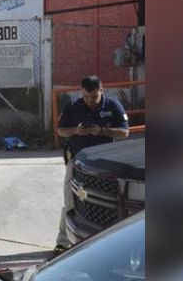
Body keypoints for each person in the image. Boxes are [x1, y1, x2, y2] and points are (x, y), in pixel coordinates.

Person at [53, 75, 129, 255]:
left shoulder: (113, 106)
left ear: (102, 90)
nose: (90, 101)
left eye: (94, 97)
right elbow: (61, 130)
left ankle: (105, 243)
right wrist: (76, 131)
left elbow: (124, 132)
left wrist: (101, 130)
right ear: (81, 92)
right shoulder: (73, 107)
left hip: (105, 166)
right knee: (70, 201)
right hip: (78, 163)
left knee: (106, 203)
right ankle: (63, 243)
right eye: (86, 97)